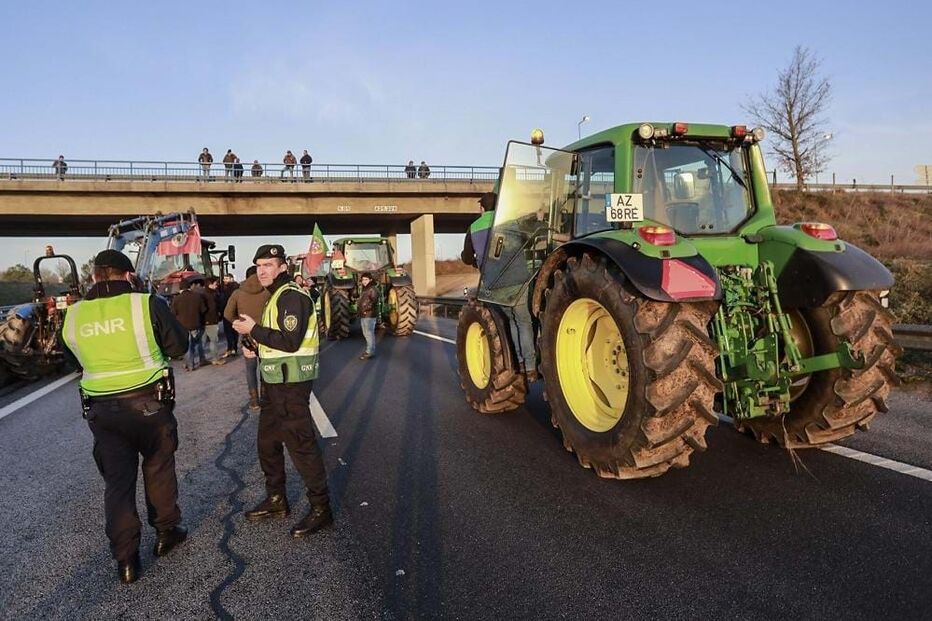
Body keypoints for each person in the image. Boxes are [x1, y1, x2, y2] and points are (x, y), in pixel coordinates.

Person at [61, 249, 189, 584]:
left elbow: (72, 362)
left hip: (103, 411)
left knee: (117, 484)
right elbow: (178, 347)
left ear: (93, 277)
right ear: (128, 275)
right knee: (158, 469)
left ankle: (127, 561)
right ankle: (165, 534)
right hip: (150, 405)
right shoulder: (145, 303)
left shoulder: (74, 315)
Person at [233, 245, 332, 537]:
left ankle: (321, 507)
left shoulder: (291, 296)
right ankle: (276, 499)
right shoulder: (275, 296)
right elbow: (274, 340)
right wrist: (254, 346)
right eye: (259, 265)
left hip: (291, 384)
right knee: (267, 443)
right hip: (274, 381)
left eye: (268, 265)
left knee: (300, 445)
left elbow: (290, 341)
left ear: (282, 267)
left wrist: (253, 330)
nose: (262, 270)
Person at [223, 265, 270, 411]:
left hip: (247, 338)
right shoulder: (268, 291)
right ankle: (265, 397)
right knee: (265, 368)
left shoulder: (238, 293)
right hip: (266, 336)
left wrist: (238, 323)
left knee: (250, 369)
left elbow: (227, 314)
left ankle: (254, 401)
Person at [171, 278, 207, 371]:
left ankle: (189, 364)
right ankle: (200, 360)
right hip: (196, 324)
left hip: (182, 326)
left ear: (180, 288)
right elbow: (203, 310)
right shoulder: (197, 296)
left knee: (188, 346)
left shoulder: (176, 299)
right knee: (197, 343)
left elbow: (173, 313)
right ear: (189, 286)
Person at [461, 192, 496, 268]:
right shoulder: (510, 222)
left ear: (482, 208)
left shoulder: (473, 228)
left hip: (492, 277)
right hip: (520, 274)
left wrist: (476, 262)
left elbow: (467, 259)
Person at [201, 277, 223, 364]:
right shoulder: (212, 295)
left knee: (202, 342)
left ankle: (201, 359)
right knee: (213, 340)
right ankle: (215, 359)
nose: (216, 285)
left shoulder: (202, 293)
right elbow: (213, 308)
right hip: (211, 320)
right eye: (215, 283)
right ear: (210, 284)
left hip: (203, 321)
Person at [357, 272, 379, 360]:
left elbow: (374, 301)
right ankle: (369, 350)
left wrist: (366, 310)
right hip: (364, 314)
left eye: (366, 279)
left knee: (369, 333)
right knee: (366, 333)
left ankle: (370, 351)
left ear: (370, 280)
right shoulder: (365, 289)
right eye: (363, 279)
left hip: (369, 315)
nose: (364, 281)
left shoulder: (372, 289)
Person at [219, 272, 239, 357]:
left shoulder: (225, 290)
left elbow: (222, 302)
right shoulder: (238, 288)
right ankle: (234, 348)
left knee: (228, 331)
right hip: (236, 313)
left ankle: (230, 348)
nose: (224, 280)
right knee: (235, 331)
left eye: (226, 278)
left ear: (231, 279)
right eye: (224, 278)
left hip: (227, 313)